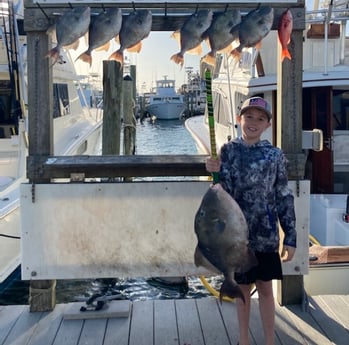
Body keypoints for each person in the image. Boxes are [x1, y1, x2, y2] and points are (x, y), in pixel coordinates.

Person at [205, 96, 297, 345]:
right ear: (239, 119)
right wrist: (211, 167)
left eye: (260, 118)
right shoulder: (228, 151)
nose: (253, 122)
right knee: (241, 290)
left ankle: (269, 340)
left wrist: (290, 235)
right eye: (248, 117)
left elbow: (283, 195)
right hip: (235, 238)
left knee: (266, 290)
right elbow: (219, 191)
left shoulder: (274, 155)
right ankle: (243, 340)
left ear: (268, 124)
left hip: (265, 236)